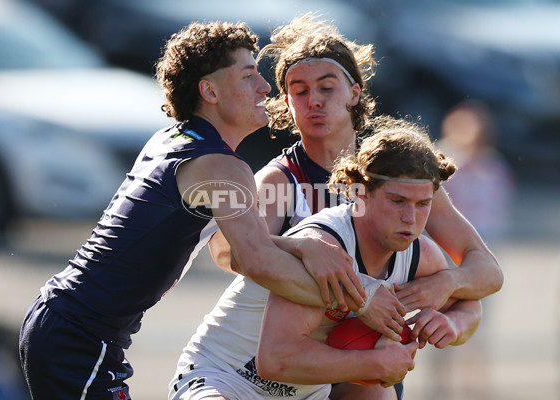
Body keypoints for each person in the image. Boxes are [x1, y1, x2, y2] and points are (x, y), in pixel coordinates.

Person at [18, 21, 366, 400]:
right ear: (210, 91)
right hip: (79, 337)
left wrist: (302, 246)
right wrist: (365, 302)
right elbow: (257, 261)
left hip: (70, 325)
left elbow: (245, 247)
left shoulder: (175, 136)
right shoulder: (223, 168)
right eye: (249, 76)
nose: (266, 88)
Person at [169, 116, 483, 400]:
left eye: (422, 204)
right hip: (225, 379)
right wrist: (376, 361)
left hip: (304, 395)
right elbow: (275, 361)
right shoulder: (326, 246)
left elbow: (470, 305)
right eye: (397, 201)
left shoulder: (419, 256)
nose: (410, 218)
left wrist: (451, 324)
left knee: (374, 393)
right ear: (361, 194)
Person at [438, 99, 516, 246]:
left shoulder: (493, 165)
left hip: (483, 236)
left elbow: (500, 204)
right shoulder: (442, 160)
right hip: (446, 237)